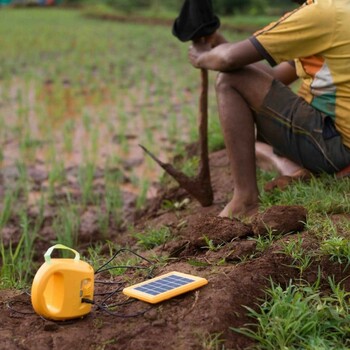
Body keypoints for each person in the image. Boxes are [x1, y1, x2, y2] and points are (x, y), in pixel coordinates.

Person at [188, 0, 350, 218]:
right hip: (337, 141)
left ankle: (245, 200)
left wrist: (201, 56)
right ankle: (295, 170)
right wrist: (218, 43)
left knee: (229, 80)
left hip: (338, 147)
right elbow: (274, 77)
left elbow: (229, 60)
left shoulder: (321, 14)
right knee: (254, 147)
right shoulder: (339, 10)